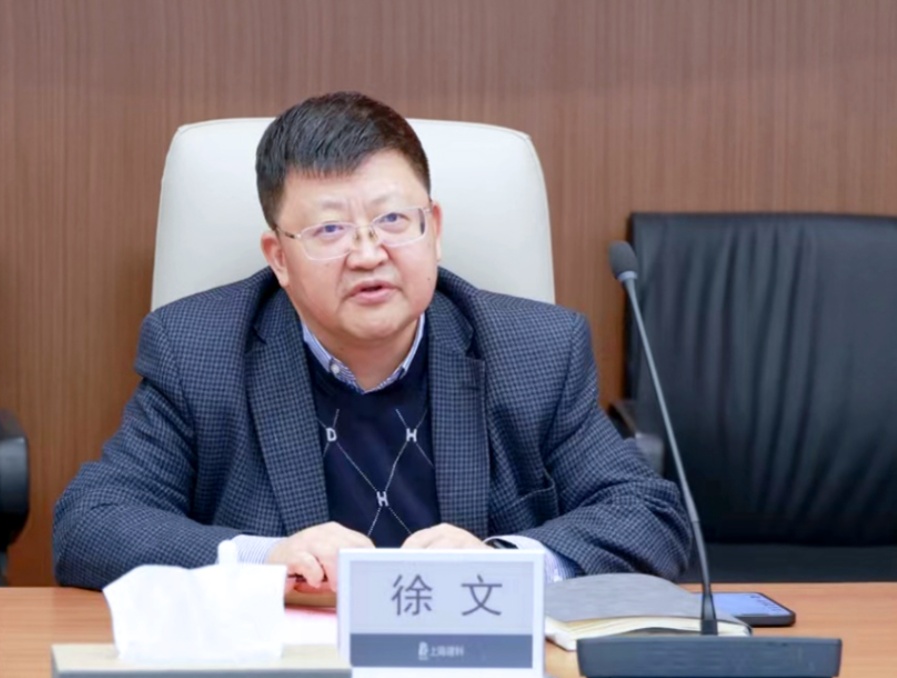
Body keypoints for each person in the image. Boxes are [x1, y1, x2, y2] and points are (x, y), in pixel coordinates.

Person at [53, 91, 691, 599]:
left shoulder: (534, 352)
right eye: (330, 229)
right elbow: (91, 522)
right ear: (279, 257)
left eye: (392, 220)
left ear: (433, 229)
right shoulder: (199, 351)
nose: (367, 254)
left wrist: (503, 564)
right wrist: (265, 560)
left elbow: (648, 514)